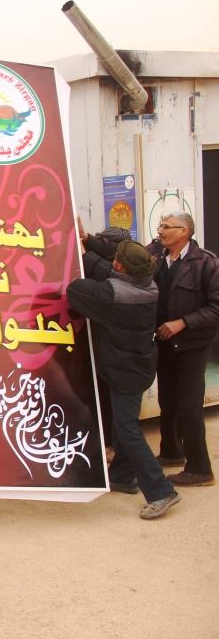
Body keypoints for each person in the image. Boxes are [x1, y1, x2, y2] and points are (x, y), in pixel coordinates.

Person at [68, 234, 180, 518]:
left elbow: (76, 289)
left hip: (126, 371)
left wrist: (80, 255)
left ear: (119, 266)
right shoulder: (147, 284)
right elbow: (107, 272)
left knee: (128, 430)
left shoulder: (114, 296)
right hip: (136, 366)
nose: (112, 263)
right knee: (122, 424)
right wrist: (84, 242)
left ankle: (161, 491)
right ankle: (122, 476)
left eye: (115, 260)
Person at [147, 212, 217, 487]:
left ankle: (200, 469)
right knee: (168, 401)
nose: (160, 230)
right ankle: (171, 453)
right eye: (160, 225)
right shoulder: (156, 257)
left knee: (189, 407)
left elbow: (216, 308)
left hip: (192, 346)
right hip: (164, 343)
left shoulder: (206, 263)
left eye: (166, 227)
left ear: (184, 231)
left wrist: (183, 322)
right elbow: (125, 256)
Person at [80, 224, 134, 458]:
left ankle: (116, 449)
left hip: (120, 354)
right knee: (101, 395)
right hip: (102, 348)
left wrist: (85, 246)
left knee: (117, 405)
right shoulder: (104, 266)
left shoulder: (127, 277)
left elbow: (102, 276)